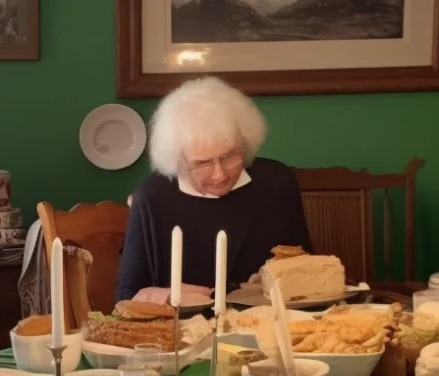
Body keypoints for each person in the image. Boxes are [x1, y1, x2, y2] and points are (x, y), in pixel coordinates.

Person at [115, 77, 313, 303]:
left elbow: (305, 264)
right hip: (182, 330)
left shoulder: (276, 183)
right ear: (177, 158)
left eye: (230, 156)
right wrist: (168, 296)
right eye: (202, 163)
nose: (219, 174)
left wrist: (278, 279)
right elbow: (126, 298)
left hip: (262, 325)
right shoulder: (153, 197)